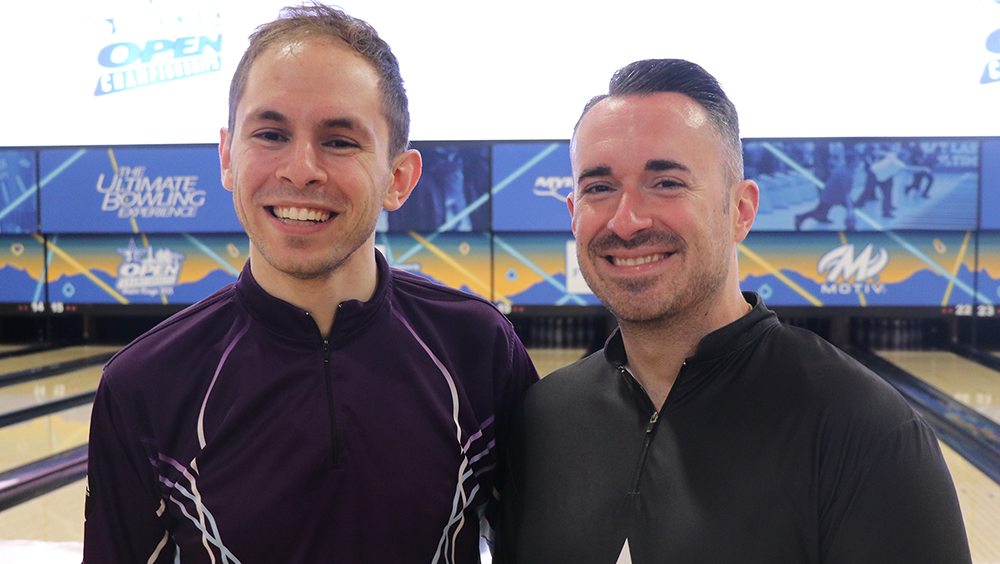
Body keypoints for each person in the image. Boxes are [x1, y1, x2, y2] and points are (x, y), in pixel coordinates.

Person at [83, 5, 537, 563]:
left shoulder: (480, 349)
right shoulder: (143, 385)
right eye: (271, 133)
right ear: (227, 157)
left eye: (340, 141)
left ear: (399, 178)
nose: (301, 170)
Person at [496, 59, 971, 564]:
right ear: (573, 213)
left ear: (741, 211)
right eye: (599, 188)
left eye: (667, 183)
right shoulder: (542, 420)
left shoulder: (866, 431)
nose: (627, 220)